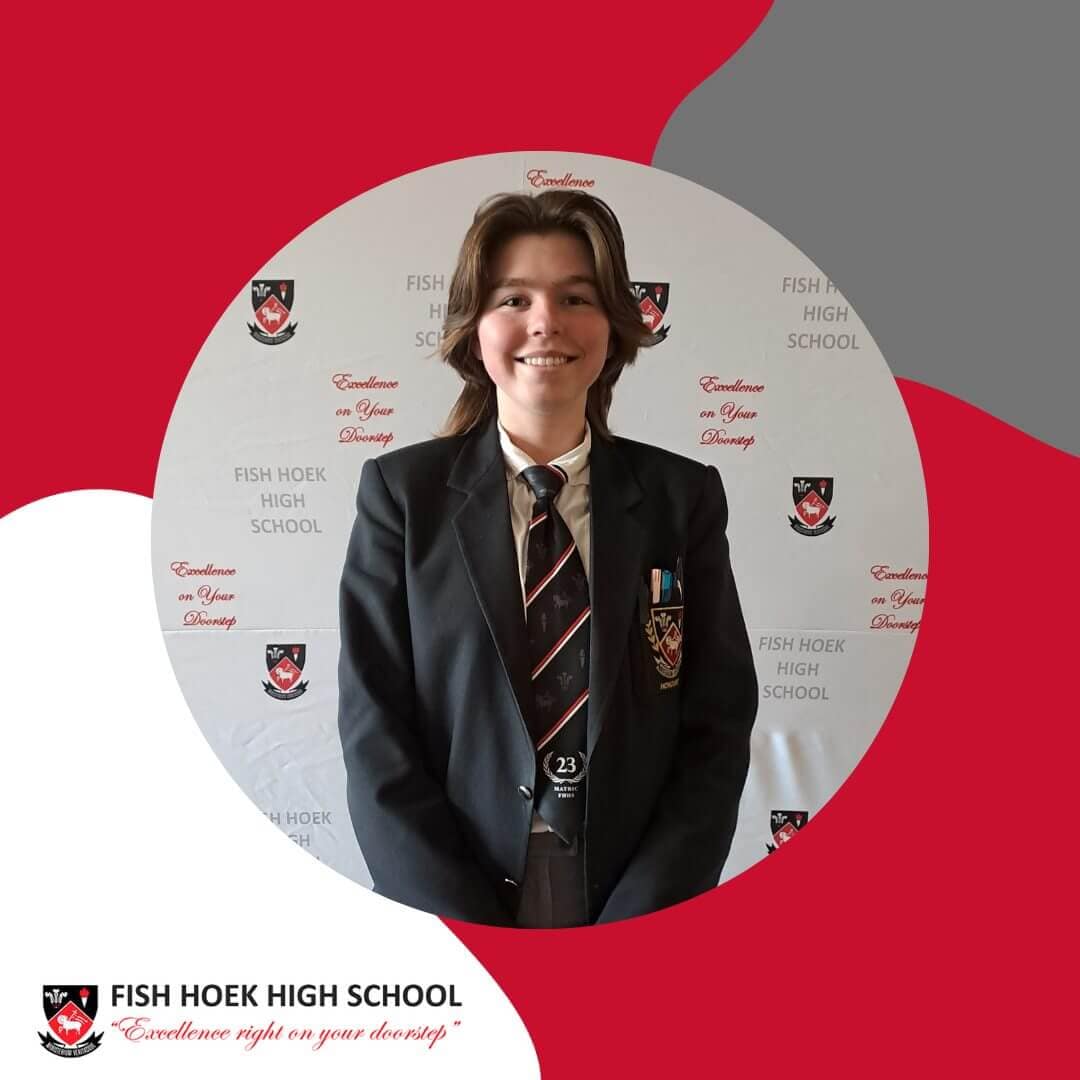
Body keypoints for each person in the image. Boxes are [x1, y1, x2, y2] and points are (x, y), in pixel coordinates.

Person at [337, 190, 757, 927]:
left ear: (614, 327)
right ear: (474, 330)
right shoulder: (402, 498)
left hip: (633, 893)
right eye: (514, 299)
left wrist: (643, 913)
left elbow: (717, 725)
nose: (545, 322)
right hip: (454, 892)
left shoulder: (681, 498)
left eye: (575, 298)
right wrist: (458, 918)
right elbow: (376, 733)